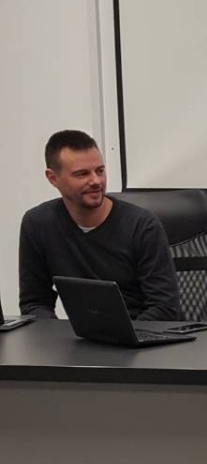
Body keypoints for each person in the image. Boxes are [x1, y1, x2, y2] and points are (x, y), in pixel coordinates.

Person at [19, 130, 180, 321]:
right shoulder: (37, 224)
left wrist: (124, 335)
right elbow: (34, 303)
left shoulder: (143, 226)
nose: (96, 181)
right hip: (79, 337)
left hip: (143, 333)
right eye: (82, 174)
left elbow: (165, 309)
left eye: (100, 171)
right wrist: (58, 334)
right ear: (53, 178)